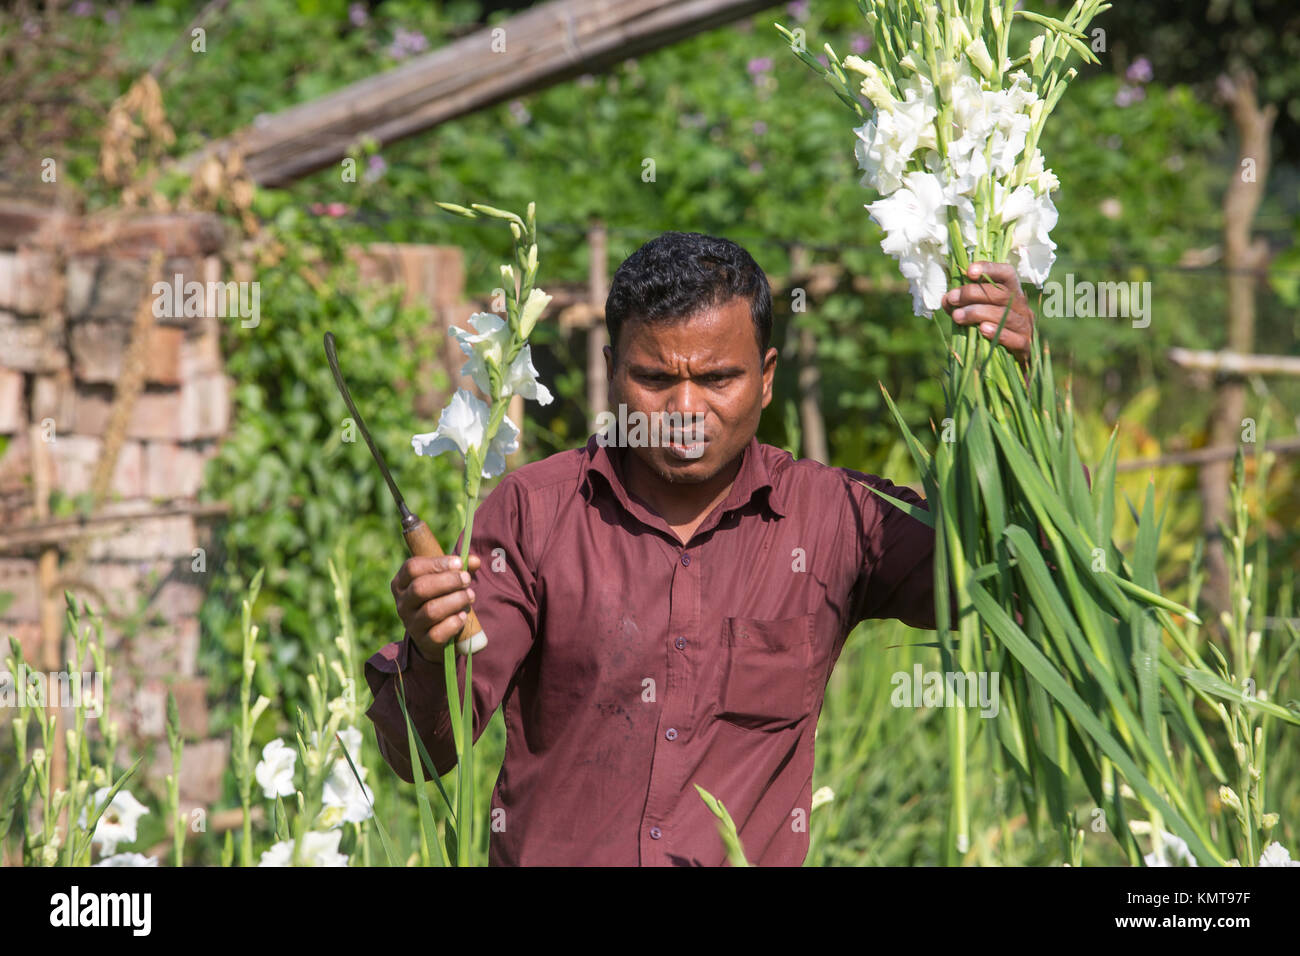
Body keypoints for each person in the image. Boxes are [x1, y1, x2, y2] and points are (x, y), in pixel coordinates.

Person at [365, 231, 1036, 865]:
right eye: (655, 379)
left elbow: (1009, 573)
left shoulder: (836, 521)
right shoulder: (533, 515)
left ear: (767, 377)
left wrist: (1019, 391)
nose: (686, 407)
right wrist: (429, 648)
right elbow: (422, 755)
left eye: (718, 378)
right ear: (611, 370)